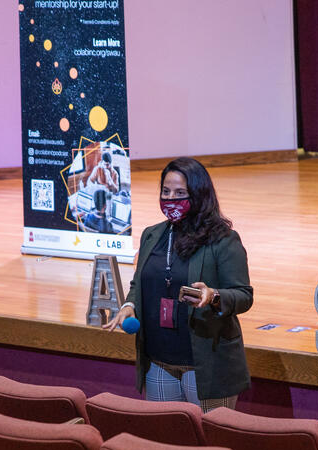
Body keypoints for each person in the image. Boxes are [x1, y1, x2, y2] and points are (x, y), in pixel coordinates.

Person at [104, 157, 253, 412]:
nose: (170, 199)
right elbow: (139, 282)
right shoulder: (152, 234)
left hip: (206, 365)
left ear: (198, 194)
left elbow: (243, 295)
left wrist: (213, 295)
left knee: (210, 446)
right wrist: (129, 304)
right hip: (159, 363)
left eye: (180, 193)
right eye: (166, 191)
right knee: (168, 445)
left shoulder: (223, 240)